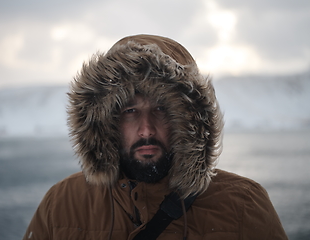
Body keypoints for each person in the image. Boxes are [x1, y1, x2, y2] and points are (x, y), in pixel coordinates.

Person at [23, 34, 288, 240]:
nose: (146, 129)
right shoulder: (62, 204)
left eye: (161, 109)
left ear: (190, 120)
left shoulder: (243, 205)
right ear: (106, 123)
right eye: (130, 111)